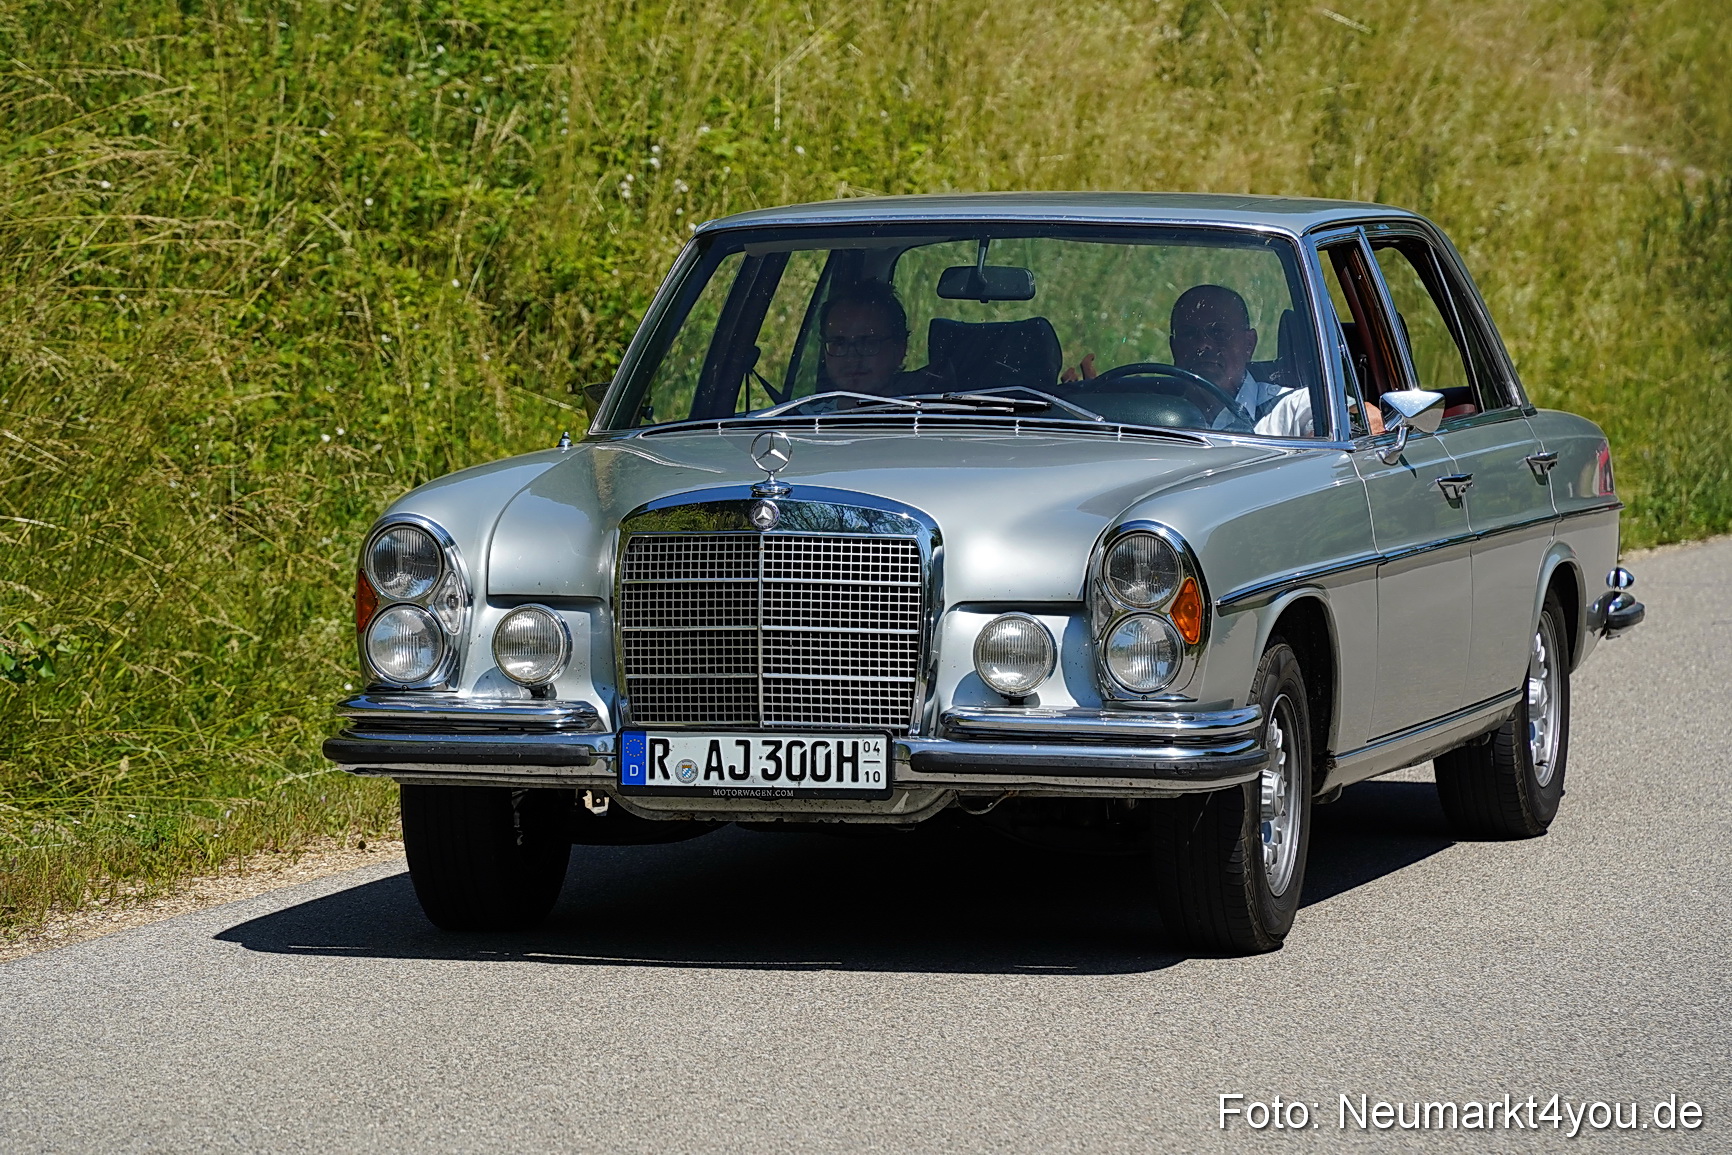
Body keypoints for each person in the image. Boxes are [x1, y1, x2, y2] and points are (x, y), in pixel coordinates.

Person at [1064, 284, 1327, 437]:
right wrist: (1093, 401)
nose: (1203, 345)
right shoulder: (1142, 414)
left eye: (1219, 332)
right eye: (1190, 334)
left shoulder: (1288, 407)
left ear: (1249, 344)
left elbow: (1348, 424)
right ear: (1174, 347)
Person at [817, 282, 946, 397]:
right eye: (839, 343)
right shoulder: (807, 415)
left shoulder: (923, 416)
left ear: (900, 349)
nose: (852, 357)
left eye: (867, 343)